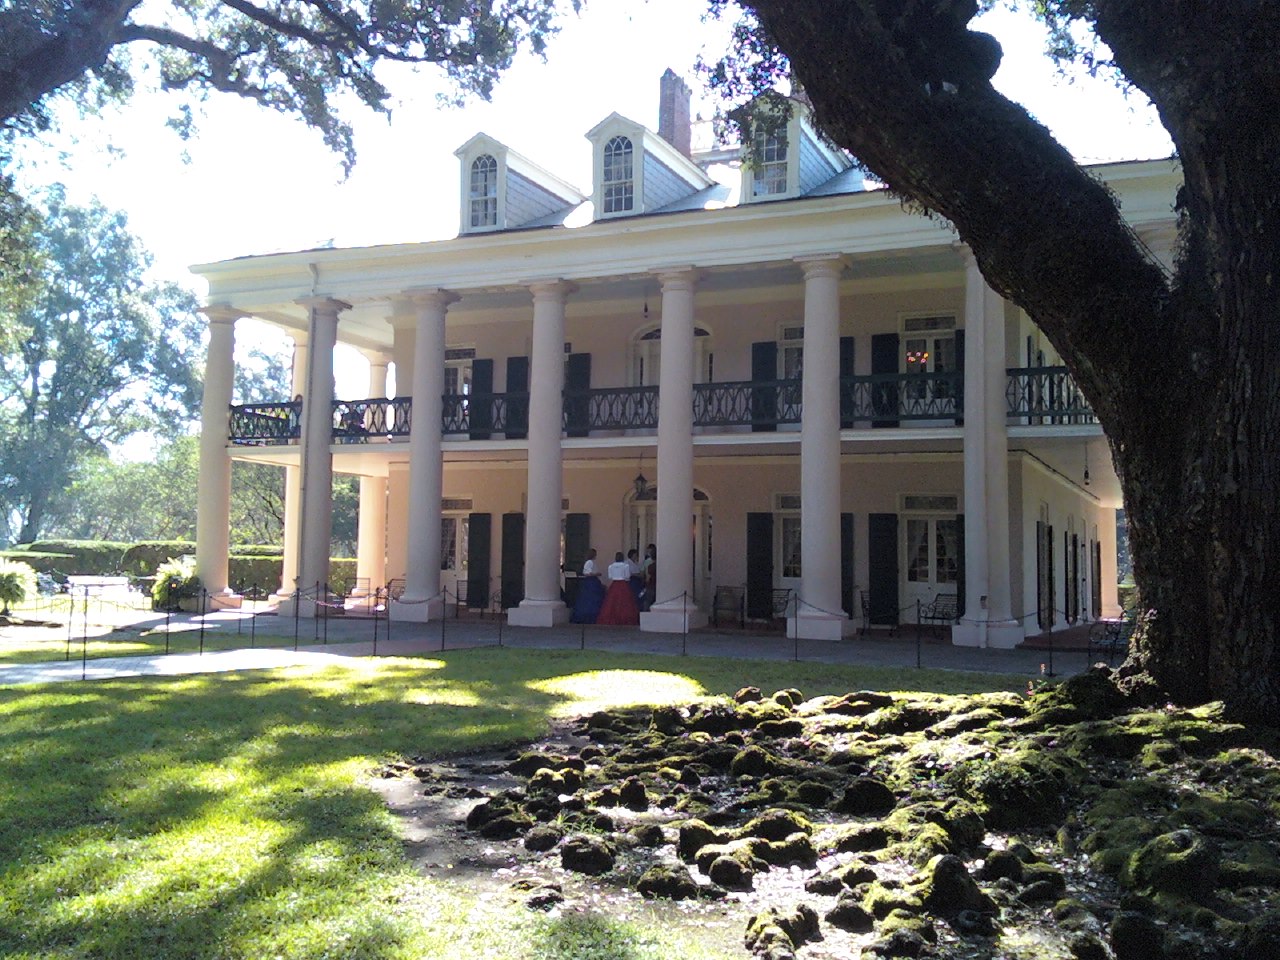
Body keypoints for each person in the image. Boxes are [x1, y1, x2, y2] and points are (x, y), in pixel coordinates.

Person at [597, 551, 640, 625]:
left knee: (611, 602)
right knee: (625, 602)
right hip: (623, 584)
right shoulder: (626, 566)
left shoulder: (610, 566)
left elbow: (610, 576)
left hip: (614, 584)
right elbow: (627, 577)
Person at [570, 549, 604, 623]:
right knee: (590, 599)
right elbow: (587, 573)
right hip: (590, 582)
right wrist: (596, 574)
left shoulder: (592, 562)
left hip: (593, 582)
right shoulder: (589, 562)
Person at [641, 543, 656, 612]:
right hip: (653, 584)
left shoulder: (649, 564)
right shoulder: (647, 562)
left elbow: (643, 573)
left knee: (648, 600)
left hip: (651, 584)